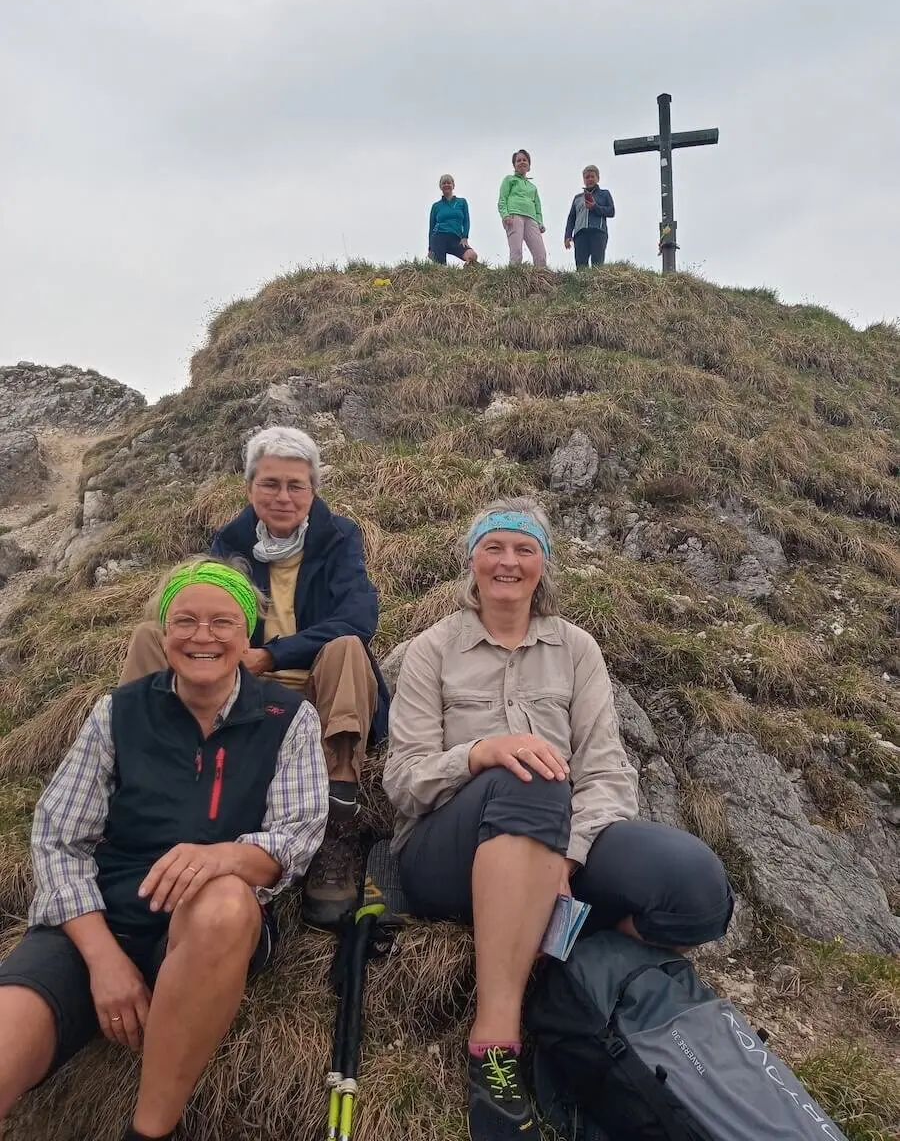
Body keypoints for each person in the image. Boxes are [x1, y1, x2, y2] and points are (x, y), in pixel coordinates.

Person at [383, 498, 734, 1141]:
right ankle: (495, 1040)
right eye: (493, 547)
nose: (508, 562)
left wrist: (567, 856)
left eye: (525, 549)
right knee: (534, 773)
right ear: (471, 561)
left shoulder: (576, 649)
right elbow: (404, 782)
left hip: (558, 846)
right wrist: (481, 753)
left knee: (695, 891)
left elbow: (606, 774)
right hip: (444, 856)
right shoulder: (431, 650)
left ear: (543, 564)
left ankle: (566, 967)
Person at [0, 559, 329, 1141]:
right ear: (164, 631)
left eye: (222, 622)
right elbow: (58, 837)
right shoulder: (117, 712)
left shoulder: (288, 719)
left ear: (247, 635)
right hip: (98, 920)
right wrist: (105, 961)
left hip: (209, 928)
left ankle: (151, 1131)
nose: (203, 636)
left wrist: (223, 856)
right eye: (186, 620)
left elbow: (296, 837)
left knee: (226, 901)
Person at [120, 426, 390, 929]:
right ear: (249, 488)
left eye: (295, 485)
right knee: (149, 637)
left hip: (314, 679)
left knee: (348, 648)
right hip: (241, 682)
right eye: (270, 483)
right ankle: (138, 772)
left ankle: (338, 818)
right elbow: (206, 610)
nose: (283, 497)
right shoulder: (232, 542)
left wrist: (271, 654)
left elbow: (359, 618)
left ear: (313, 491)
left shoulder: (339, 536)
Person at [497, 149, 546, 266]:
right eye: (518, 160)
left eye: (525, 160)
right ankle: (514, 275)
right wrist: (505, 215)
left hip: (531, 219)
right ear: (514, 165)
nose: (522, 162)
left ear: (529, 165)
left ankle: (541, 275)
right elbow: (502, 199)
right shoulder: (509, 179)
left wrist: (540, 222)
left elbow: (538, 207)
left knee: (541, 254)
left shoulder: (532, 187)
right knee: (516, 251)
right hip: (514, 216)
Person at [564, 164, 615, 268]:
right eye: (587, 177)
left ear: (598, 178)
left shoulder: (604, 194)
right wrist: (568, 235)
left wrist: (595, 207)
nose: (590, 179)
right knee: (581, 266)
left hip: (598, 232)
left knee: (597, 265)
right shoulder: (578, 198)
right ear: (584, 180)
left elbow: (611, 211)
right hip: (580, 234)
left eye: (592, 176)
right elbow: (571, 218)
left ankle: (598, 279)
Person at [428, 174, 478, 265]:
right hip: (439, 235)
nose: (446, 185)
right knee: (441, 265)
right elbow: (431, 228)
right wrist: (430, 248)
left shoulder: (461, 202)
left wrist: (465, 237)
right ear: (440, 187)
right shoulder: (436, 206)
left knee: (472, 256)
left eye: (449, 183)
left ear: (453, 185)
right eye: (444, 183)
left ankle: (468, 268)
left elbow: (466, 221)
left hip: (456, 238)